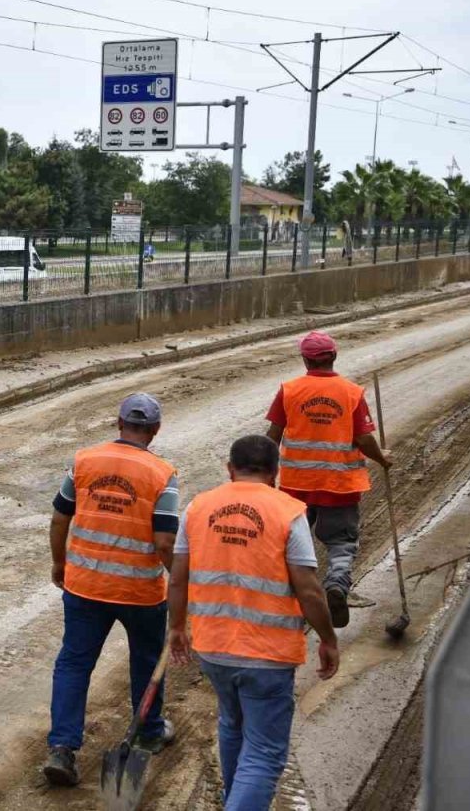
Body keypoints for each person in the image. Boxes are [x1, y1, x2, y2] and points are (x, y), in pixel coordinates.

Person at [169, 434, 339, 810]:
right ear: (275, 473)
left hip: (214, 650)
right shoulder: (288, 512)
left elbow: (178, 578)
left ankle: (235, 800)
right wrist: (328, 638)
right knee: (263, 753)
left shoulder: (198, 507)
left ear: (230, 469)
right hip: (268, 654)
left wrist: (177, 627)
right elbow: (309, 590)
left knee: (232, 725)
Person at [43, 393, 180, 787]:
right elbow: (165, 543)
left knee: (74, 663)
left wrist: (59, 562)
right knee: (146, 659)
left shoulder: (84, 461)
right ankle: (148, 731)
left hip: (85, 587)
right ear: (155, 430)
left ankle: (62, 748)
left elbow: (59, 518)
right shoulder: (162, 474)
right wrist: (180, 584)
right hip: (140, 593)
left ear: (119, 423)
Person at [264, 331, 391, 627]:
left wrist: (265, 474)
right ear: (334, 356)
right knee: (341, 542)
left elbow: (272, 436)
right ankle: (336, 585)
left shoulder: (289, 390)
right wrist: (383, 459)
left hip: (296, 486)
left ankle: (287, 597)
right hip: (339, 485)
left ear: (305, 360)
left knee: (291, 542)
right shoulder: (351, 393)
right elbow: (364, 439)